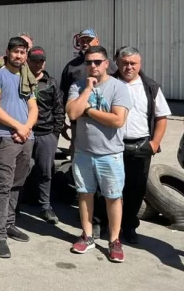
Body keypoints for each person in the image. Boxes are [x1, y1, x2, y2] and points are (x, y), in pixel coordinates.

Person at [94, 46, 171, 244]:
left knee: (135, 190)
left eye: (133, 63)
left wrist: (154, 144)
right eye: (125, 63)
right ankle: (103, 224)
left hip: (140, 146)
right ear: (117, 63)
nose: (129, 67)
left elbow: (162, 117)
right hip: (111, 145)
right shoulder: (107, 83)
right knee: (107, 188)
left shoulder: (150, 87)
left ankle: (128, 226)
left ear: (140, 64)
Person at [66, 45, 132, 263]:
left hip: (109, 154)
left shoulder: (118, 87)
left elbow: (118, 120)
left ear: (106, 63)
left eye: (97, 62)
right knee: (85, 195)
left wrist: (89, 111)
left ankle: (114, 240)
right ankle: (87, 236)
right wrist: (87, 90)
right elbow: (73, 113)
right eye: (88, 62)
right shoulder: (77, 86)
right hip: (84, 152)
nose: (92, 66)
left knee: (113, 198)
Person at [0, 36, 38, 258]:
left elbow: (34, 108)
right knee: (3, 186)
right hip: (5, 137)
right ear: (7, 52)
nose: (19, 56)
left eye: (23, 52)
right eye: (15, 51)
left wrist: (26, 128)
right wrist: (19, 127)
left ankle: (9, 223)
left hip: (26, 137)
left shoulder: (27, 77)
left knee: (17, 183)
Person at [24, 46, 65, 224]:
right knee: (22, 170)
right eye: (34, 60)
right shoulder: (20, 80)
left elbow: (59, 109)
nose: (38, 64)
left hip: (46, 133)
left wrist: (55, 134)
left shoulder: (51, 83)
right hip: (25, 132)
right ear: (28, 61)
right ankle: (16, 205)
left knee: (45, 171)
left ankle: (45, 206)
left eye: (41, 61)